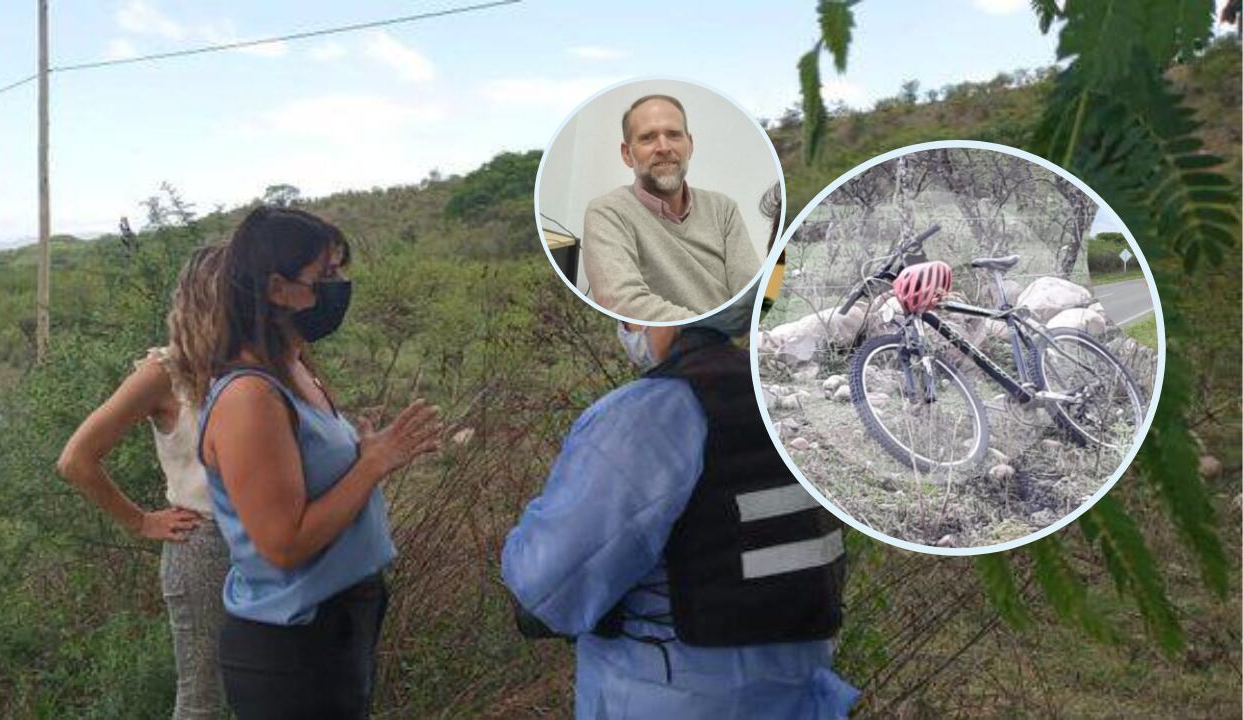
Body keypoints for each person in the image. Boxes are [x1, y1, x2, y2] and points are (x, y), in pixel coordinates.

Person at [501, 290, 858, 719]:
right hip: (797, 699)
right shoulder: (785, 403)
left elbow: (550, 584)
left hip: (676, 698)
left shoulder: (653, 414)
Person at [196, 206, 442, 719]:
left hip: (337, 625)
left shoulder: (291, 366)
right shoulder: (249, 396)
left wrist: (360, 450)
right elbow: (284, 544)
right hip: (293, 646)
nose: (339, 286)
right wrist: (374, 464)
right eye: (324, 276)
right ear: (276, 288)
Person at [58, 244, 231, 720]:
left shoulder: (253, 364)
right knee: (202, 700)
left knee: (257, 687)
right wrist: (139, 521)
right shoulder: (166, 371)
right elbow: (77, 460)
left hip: (265, 540)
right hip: (204, 545)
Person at [582, 94, 763, 322]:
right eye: (648, 138)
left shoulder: (722, 209)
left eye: (674, 135)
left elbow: (752, 293)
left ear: (690, 145)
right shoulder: (608, 213)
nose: (664, 147)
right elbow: (622, 301)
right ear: (627, 154)